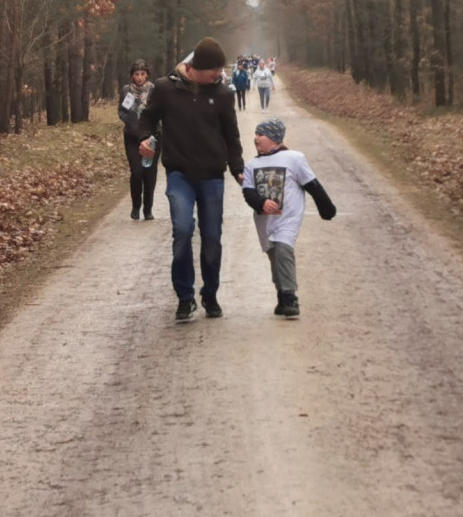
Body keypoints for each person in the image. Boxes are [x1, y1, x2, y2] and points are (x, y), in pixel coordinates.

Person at [139, 37, 245, 322]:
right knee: (183, 230)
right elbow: (147, 119)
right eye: (214, 70)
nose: (218, 74)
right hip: (179, 174)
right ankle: (185, 298)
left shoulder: (223, 94)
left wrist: (238, 167)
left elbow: (231, 135)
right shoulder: (165, 88)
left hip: (212, 176)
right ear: (197, 67)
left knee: (212, 239)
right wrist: (144, 139)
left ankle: (209, 295)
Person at [242, 118, 336, 318]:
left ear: (275, 138)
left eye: (261, 134)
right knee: (275, 256)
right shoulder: (251, 165)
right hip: (265, 221)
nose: (256, 138)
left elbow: (312, 185)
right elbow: (248, 192)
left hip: (288, 218)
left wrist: (326, 209)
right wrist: (260, 203)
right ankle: (281, 296)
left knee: (283, 249)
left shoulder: (294, 158)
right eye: (256, 134)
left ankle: (290, 297)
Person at [118, 59, 159, 220]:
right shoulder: (126, 91)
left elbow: (160, 110)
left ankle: (148, 209)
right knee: (136, 172)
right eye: (137, 74)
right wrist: (129, 121)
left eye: (142, 74)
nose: (140, 77)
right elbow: (121, 110)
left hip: (152, 138)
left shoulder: (154, 90)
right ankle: (136, 205)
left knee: (149, 173)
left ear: (147, 75)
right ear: (132, 76)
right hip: (132, 136)